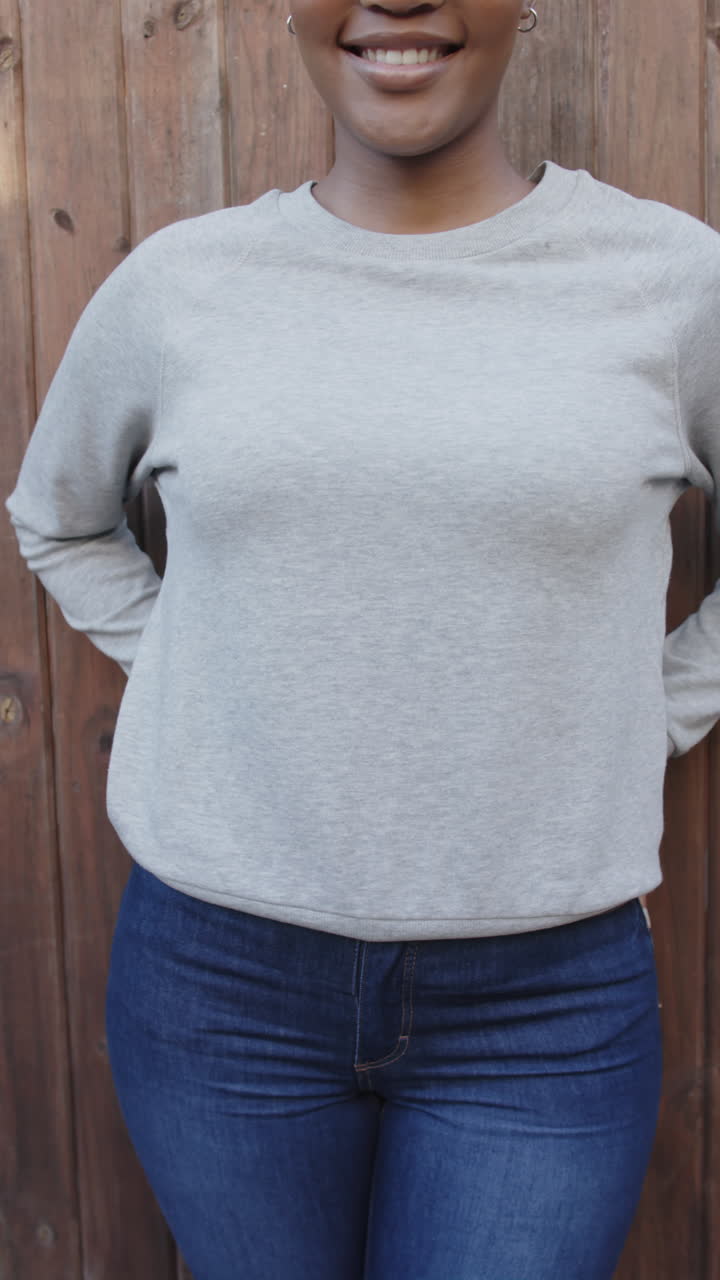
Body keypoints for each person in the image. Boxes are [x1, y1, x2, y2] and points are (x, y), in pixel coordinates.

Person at [7, 1, 720, 1275]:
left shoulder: (672, 283)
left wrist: (650, 705)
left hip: (544, 1003)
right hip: (220, 984)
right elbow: (58, 519)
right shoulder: (183, 285)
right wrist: (193, 664)